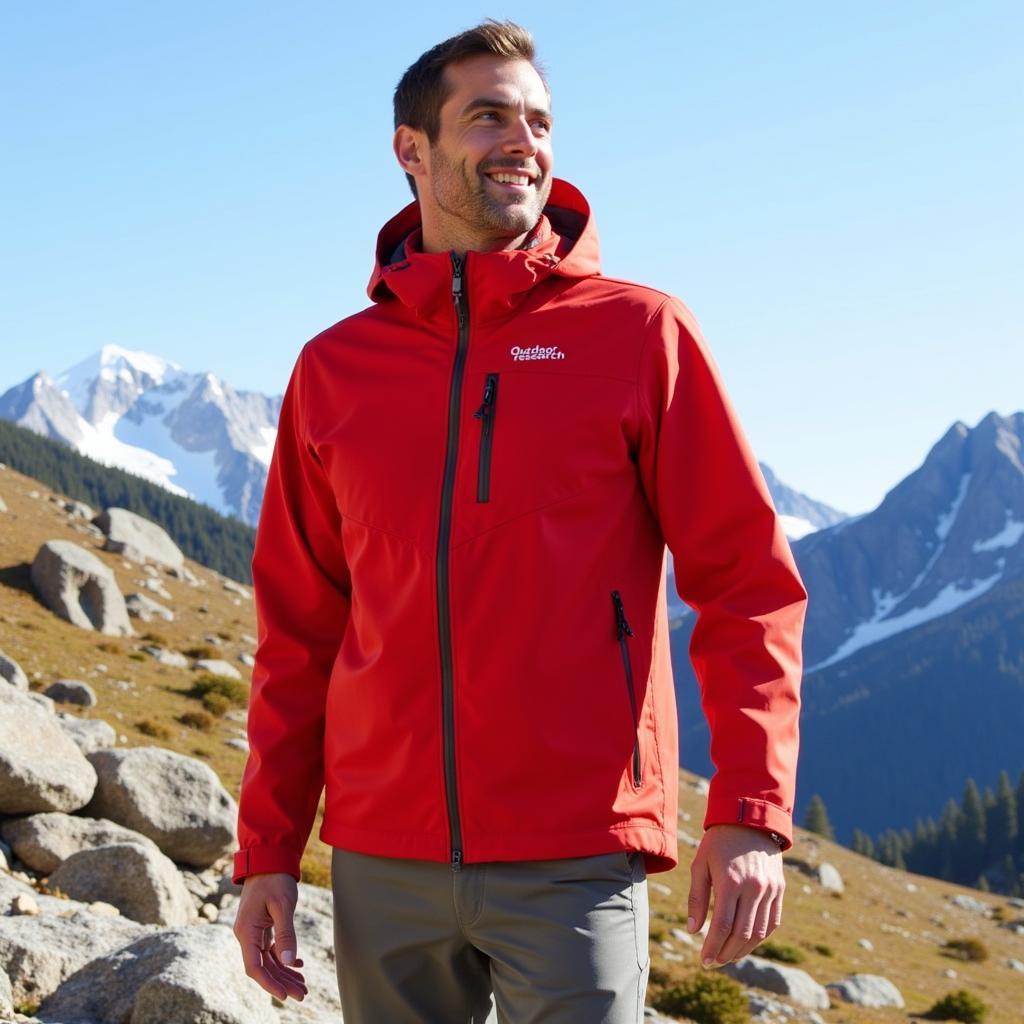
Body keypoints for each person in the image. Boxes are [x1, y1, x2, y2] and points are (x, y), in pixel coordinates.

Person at [230, 18, 808, 1023]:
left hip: (576, 848)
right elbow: (297, 630)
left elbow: (747, 583)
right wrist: (268, 851)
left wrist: (750, 813)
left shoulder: (641, 335)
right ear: (411, 149)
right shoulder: (334, 370)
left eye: (539, 119)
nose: (524, 139)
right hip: (383, 857)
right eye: (488, 113)